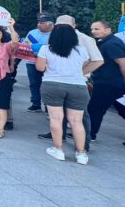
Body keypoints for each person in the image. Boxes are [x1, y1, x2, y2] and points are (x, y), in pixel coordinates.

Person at [36, 24, 98, 164]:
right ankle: (81, 153)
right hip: (78, 86)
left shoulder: (45, 49)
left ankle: (58, 149)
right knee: (77, 121)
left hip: (52, 84)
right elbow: (86, 63)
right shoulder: (81, 50)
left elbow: (40, 67)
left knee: (56, 118)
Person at [89, 20, 125, 141]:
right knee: (121, 109)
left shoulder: (112, 44)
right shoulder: (105, 42)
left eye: (97, 29)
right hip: (109, 82)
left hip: (109, 83)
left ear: (108, 29)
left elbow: (123, 63)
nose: (93, 31)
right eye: (92, 29)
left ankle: (90, 134)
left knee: (95, 109)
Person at [26, 14, 54, 112]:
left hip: (49, 63)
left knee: (47, 85)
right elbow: (27, 46)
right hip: (31, 62)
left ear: (50, 25)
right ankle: (35, 103)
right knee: (34, 84)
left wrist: (37, 47)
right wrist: (40, 47)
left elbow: (51, 47)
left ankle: (48, 106)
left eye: (42, 23)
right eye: (38, 22)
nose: (38, 25)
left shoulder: (55, 33)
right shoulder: (32, 33)